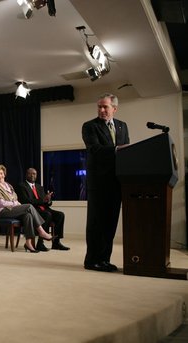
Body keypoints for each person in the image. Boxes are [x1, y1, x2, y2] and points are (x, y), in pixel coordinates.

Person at [82, 93, 129, 272]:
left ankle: (104, 259)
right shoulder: (89, 126)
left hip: (117, 182)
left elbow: (127, 151)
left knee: (110, 223)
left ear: (114, 109)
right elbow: (94, 149)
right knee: (96, 223)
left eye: (105, 107)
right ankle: (92, 260)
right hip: (98, 183)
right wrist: (117, 149)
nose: (101, 110)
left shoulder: (123, 126)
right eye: (99, 107)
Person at [0, 164, 53, 253]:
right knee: (29, 206)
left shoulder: (9, 186)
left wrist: (15, 203)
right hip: (3, 211)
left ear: (4, 174)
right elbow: (1, 203)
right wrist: (14, 203)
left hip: (11, 209)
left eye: (1, 173)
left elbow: (15, 197)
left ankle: (28, 243)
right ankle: (41, 231)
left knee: (28, 215)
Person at [16, 168, 70, 251]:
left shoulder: (39, 187)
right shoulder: (22, 186)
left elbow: (45, 201)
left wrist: (48, 200)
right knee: (47, 215)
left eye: (34, 174)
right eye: (30, 173)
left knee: (60, 215)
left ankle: (56, 242)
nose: (32, 175)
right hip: (33, 210)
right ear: (26, 175)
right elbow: (26, 201)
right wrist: (43, 200)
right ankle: (40, 244)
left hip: (44, 208)